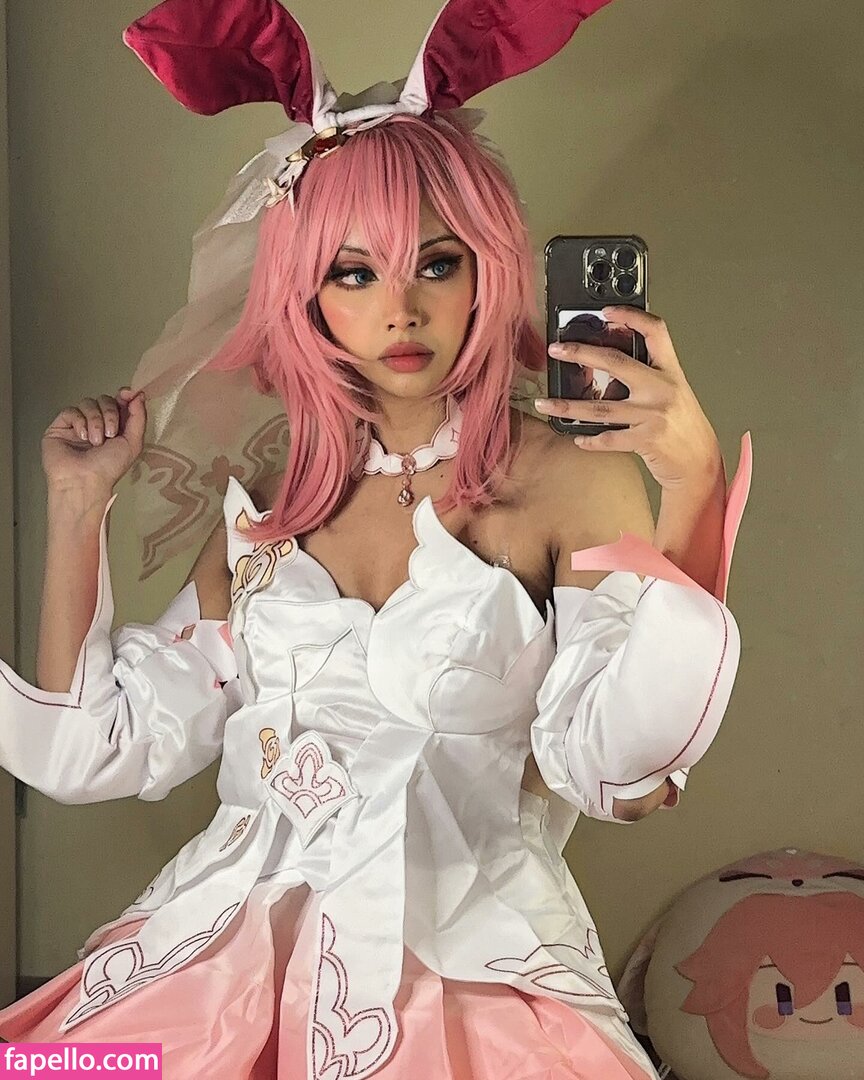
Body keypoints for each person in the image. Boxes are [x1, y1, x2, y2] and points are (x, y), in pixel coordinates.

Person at [0, 0, 752, 1076]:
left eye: (435, 264)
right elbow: (91, 751)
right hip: (211, 976)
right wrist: (78, 509)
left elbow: (619, 776)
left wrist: (694, 489)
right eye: (353, 273)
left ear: (487, 268)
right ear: (306, 294)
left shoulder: (570, 479)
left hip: (478, 990)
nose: (399, 308)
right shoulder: (273, 501)